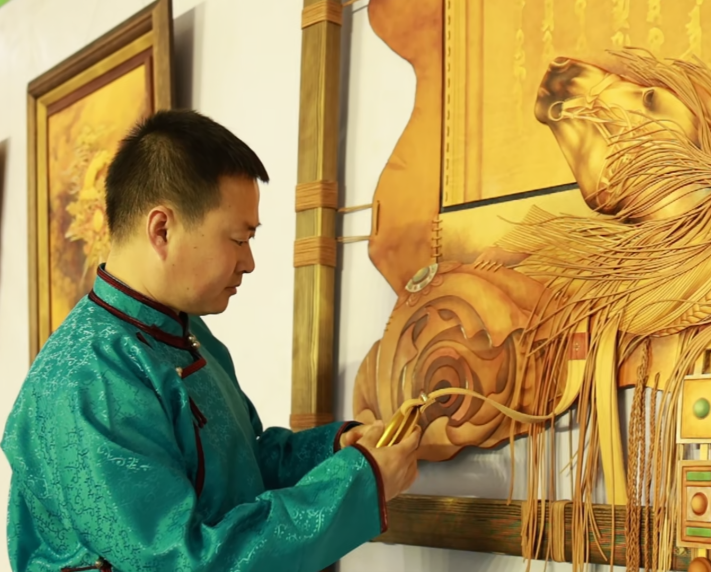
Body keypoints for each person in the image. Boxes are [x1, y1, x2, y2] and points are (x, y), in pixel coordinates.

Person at [1, 109, 420, 572]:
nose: (249, 262)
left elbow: (243, 466)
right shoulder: (89, 379)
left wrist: (336, 449)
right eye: (239, 239)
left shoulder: (186, 331)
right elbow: (184, 562)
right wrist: (361, 482)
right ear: (162, 229)